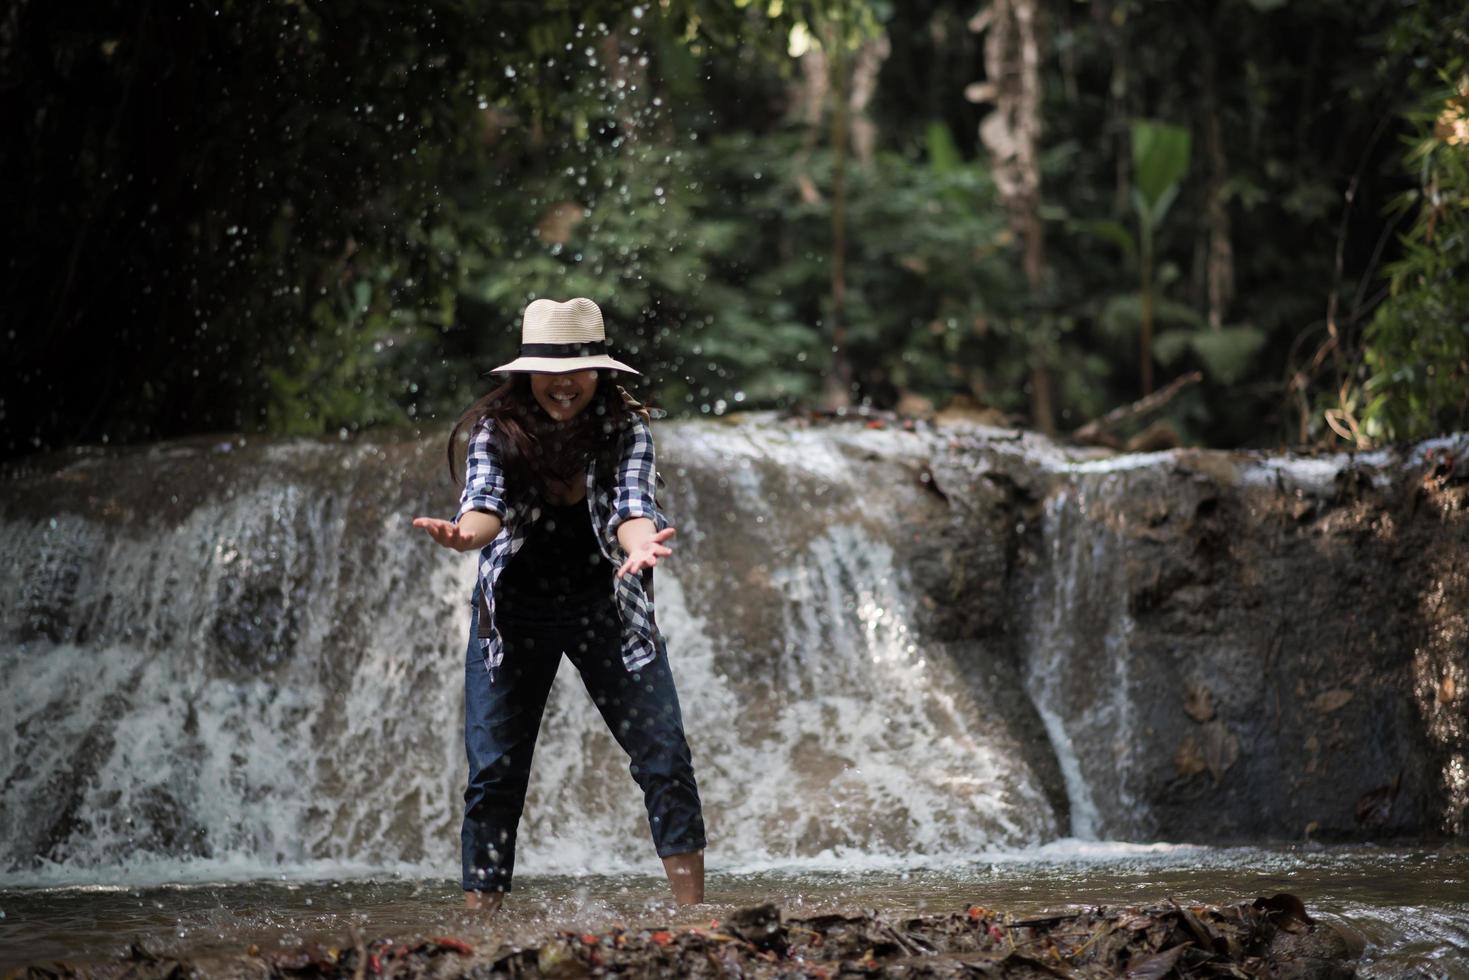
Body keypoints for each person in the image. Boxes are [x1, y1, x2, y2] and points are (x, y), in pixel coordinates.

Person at [413, 297, 706, 912]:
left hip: (607, 611)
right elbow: (483, 505)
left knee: (665, 753)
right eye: (549, 369)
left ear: (600, 371)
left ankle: (694, 916)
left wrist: (642, 544)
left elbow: (631, 509)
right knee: (494, 775)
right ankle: (483, 924)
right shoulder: (497, 431)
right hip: (513, 617)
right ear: (525, 373)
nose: (564, 384)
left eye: (577, 367)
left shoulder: (626, 429)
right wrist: (464, 536)